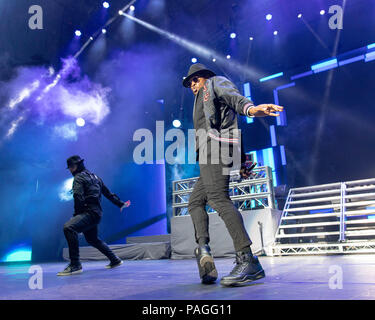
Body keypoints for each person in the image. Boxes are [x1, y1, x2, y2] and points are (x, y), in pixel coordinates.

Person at [183, 63, 284, 286]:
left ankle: (248, 259)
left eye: (195, 80)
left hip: (216, 149)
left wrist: (252, 109)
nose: (192, 85)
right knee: (194, 202)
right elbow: (229, 126)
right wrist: (240, 159)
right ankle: (203, 249)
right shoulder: (201, 97)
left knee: (219, 199)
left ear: (204, 77)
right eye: (189, 82)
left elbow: (235, 100)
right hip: (212, 152)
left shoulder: (215, 82)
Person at [57, 155, 130, 276]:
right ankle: (115, 260)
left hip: (88, 213)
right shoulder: (95, 177)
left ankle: (75, 265)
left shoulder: (79, 178)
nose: (70, 170)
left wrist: (76, 217)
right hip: (97, 214)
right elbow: (108, 193)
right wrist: (120, 204)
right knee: (92, 239)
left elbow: (78, 198)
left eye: (70, 167)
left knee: (69, 227)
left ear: (75, 166)